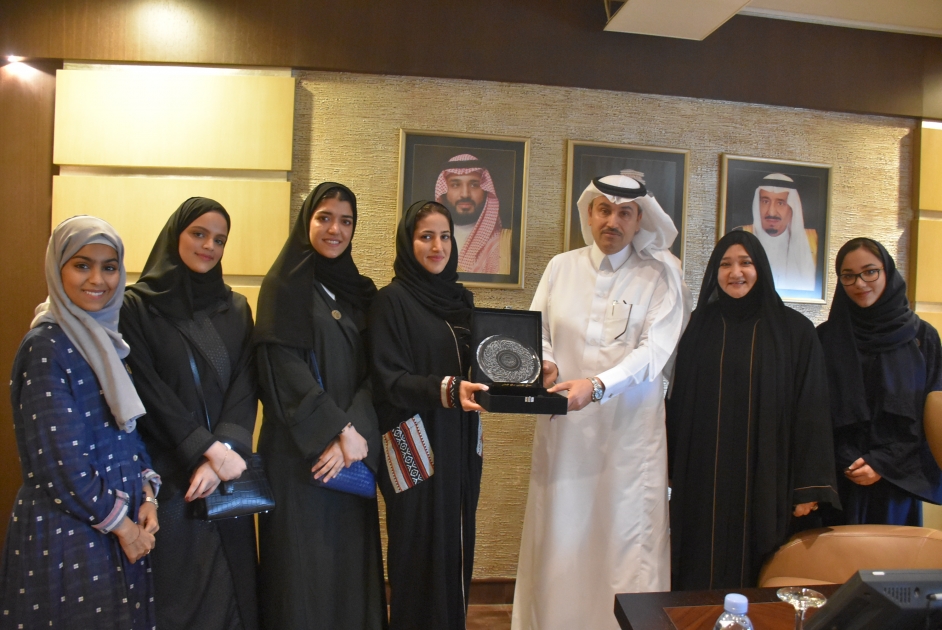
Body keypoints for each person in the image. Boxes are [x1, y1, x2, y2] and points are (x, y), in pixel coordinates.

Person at [512, 174, 689, 630]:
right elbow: (537, 330)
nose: (613, 221)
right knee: (561, 533)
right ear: (589, 214)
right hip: (565, 432)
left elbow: (654, 353)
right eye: (604, 210)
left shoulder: (662, 274)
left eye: (624, 212)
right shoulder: (561, 267)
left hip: (628, 437)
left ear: (639, 219)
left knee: (624, 538)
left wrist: (595, 386)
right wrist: (545, 362)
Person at [0, 216, 160, 629]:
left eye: (109, 267)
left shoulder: (106, 341)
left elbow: (127, 432)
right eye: (82, 265)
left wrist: (147, 495)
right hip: (70, 533)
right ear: (57, 269)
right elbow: (61, 466)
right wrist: (124, 528)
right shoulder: (45, 347)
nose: (97, 280)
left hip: (117, 527)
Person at [666, 231, 840, 591]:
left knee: (762, 571)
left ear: (761, 268)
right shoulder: (696, 327)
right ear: (714, 272)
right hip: (702, 479)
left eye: (746, 263)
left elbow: (812, 411)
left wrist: (808, 487)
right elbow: (678, 401)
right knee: (697, 565)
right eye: (725, 264)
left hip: (768, 478)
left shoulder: (795, 331)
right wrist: (668, 467)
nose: (736, 272)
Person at [120, 198, 258, 630]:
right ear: (175, 235)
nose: (209, 246)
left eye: (219, 240)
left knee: (232, 592)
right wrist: (205, 449)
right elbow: (147, 390)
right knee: (175, 593)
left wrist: (223, 454)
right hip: (169, 471)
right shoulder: (136, 307)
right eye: (199, 234)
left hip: (225, 476)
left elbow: (246, 385)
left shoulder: (236, 308)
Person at [254, 183, 386, 630]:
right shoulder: (282, 286)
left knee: (349, 567)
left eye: (346, 221)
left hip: (352, 454)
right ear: (306, 221)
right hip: (299, 455)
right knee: (300, 569)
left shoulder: (361, 292)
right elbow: (281, 367)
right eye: (324, 217)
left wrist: (355, 434)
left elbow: (376, 371)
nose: (335, 229)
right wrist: (335, 429)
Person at [369, 200, 488, 630]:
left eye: (445, 236)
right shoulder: (391, 302)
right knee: (416, 548)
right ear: (408, 242)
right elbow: (388, 379)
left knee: (456, 542)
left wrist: (528, 373)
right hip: (413, 442)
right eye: (426, 237)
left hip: (459, 437)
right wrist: (447, 389)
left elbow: (483, 366)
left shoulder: (462, 301)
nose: (437, 247)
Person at [817, 237, 942, 525]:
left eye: (870, 271)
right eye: (848, 276)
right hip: (839, 480)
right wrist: (848, 460)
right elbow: (813, 412)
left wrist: (882, 464)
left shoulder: (922, 338)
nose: (860, 283)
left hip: (898, 482)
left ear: (888, 271)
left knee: (893, 552)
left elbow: (931, 416)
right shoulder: (824, 338)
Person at [734, 173, 817, 291]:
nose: (771, 212)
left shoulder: (814, 241)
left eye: (780, 203)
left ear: (792, 208)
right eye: (765, 201)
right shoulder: (741, 237)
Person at [434, 153, 511, 274]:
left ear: (486, 190)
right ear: (444, 192)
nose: (465, 194)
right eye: (455, 185)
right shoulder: (428, 241)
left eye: (474, 185)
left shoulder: (505, 244)